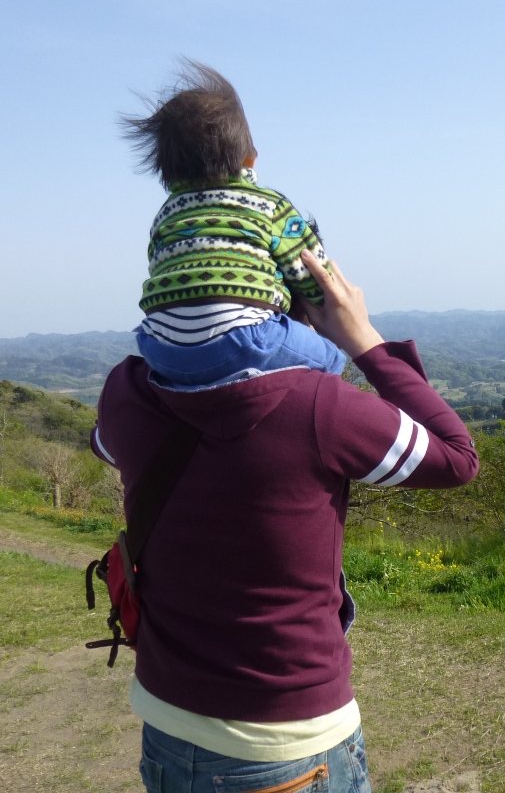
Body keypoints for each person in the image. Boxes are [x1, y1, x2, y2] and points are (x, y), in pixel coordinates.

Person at [92, 65, 479, 793]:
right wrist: (363, 342)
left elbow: (107, 444)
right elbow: (457, 458)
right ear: (251, 159)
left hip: (168, 724)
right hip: (286, 749)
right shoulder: (318, 409)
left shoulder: (127, 397)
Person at [124, 61, 346, 392]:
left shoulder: (165, 216)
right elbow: (312, 274)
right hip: (244, 339)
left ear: (165, 170)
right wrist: (328, 313)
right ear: (250, 159)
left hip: (159, 348)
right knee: (331, 359)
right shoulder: (268, 204)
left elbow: (161, 266)